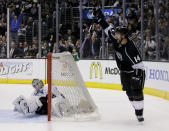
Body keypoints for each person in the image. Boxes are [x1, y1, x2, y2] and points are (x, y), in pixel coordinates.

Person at [93, 9, 145, 122]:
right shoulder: (116, 40)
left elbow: (140, 66)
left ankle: (139, 114)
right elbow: (108, 28)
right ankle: (137, 108)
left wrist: (137, 76)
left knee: (136, 91)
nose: (115, 35)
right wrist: (100, 17)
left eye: (118, 34)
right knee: (129, 93)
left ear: (123, 36)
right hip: (124, 71)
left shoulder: (131, 49)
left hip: (135, 71)